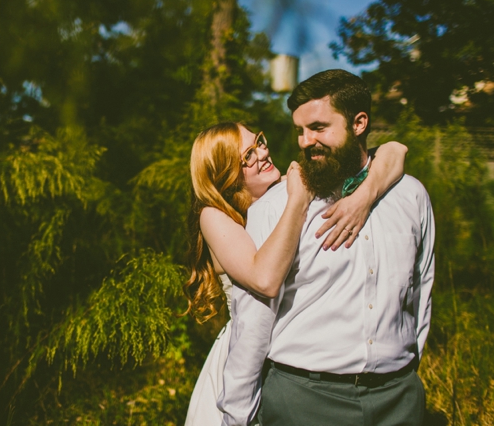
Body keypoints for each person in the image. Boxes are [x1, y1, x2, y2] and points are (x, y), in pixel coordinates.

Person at [219, 69, 435, 426]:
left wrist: (407, 374)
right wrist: (236, 417)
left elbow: (421, 292)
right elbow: (252, 324)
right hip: (302, 401)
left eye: (318, 128)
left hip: (399, 400)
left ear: (359, 123)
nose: (305, 141)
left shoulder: (411, 195)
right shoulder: (274, 208)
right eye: (300, 131)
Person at [183, 121, 409, 425]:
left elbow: (395, 151)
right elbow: (265, 279)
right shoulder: (214, 216)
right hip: (245, 361)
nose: (262, 153)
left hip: (292, 361)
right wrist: (298, 201)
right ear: (226, 174)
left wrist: (364, 195)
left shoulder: (281, 189)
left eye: (259, 142)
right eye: (247, 156)